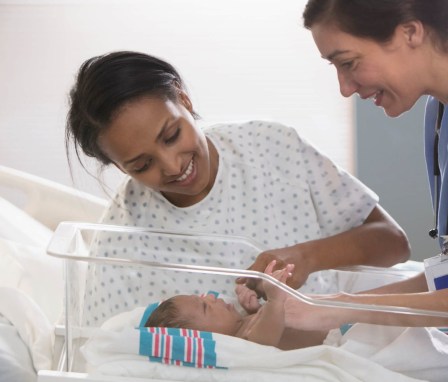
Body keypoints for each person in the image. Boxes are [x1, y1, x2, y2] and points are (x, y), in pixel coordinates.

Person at [65, 50, 409, 325]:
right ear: (119, 167)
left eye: (171, 136)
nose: (172, 166)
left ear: (184, 101)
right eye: (142, 165)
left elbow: (394, 244)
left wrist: (308, 256)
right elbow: (104, 355)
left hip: (337, 347)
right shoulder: (118, 244)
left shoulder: (273, 146)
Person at [269, 0, 448, 328]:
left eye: (348, 63)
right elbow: (444, 278)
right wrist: (322, 305)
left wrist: (340, 310)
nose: (344, 87)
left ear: (410, 32)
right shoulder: (437, 116)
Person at [145, 261, 328, 350]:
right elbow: (265, 341)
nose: (211, 298)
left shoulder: (245, 324)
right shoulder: (241, 344)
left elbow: (275, 326)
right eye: (205, 307)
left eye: (204, 298)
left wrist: (255, 310)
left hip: (331, 322)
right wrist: (274, 301)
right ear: (202, 340)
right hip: (334, 337)